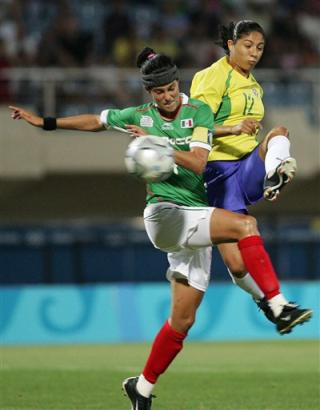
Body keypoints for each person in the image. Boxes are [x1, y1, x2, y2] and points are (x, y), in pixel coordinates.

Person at [9, 47, 312, 410]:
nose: (166, 96)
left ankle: (143, 387)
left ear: (177, 84)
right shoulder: (139, 116)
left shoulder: (197, 111)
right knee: (245, 224)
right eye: (158, 92)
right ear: (149, 94)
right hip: (165, 215)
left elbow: (199, 164)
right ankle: (276, 305)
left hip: (193, 216)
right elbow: (96, 120)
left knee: (182, 321)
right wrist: (46, 123)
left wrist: (158, 145)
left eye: (170, 89)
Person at [190, 20, 299, 316]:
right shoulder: (211, 76)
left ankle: (274, 173)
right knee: (237, 265)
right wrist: (235, 126)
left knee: (278, 133)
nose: (254, 53)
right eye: (248, 46)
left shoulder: (254, 85)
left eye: (260, 48)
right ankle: (268, 303)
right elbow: (195, 127)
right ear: (231, 44)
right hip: (218, 173)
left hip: (247, 165)